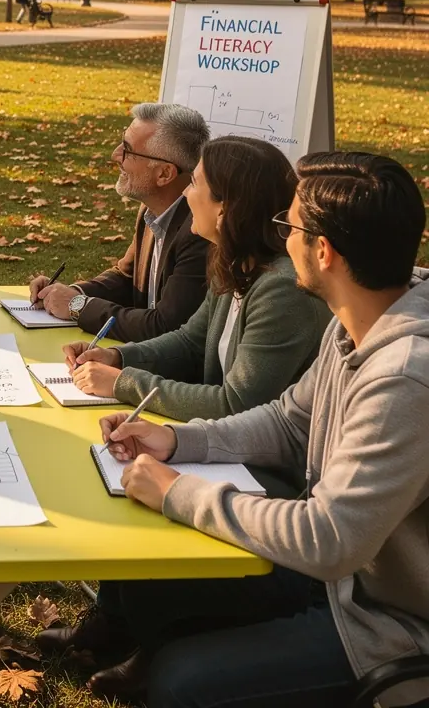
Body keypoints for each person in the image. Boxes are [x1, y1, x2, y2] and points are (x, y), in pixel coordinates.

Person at [60, 152, 429, 708]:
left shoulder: (404, 377)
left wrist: (179, 491)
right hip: (338, 584)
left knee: (183, 683)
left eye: (290, 226)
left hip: (386, 626)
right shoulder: (361, 314)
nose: (281, 237)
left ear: (323, 252)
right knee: (150, 569)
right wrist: (181, 441)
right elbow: (287, 419)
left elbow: (329, 540)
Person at [59, 136, 331, 427]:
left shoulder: (281, 290)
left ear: (225, 208)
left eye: (195, 184)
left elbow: (235, 404)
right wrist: (117, 357)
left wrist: (124, 382)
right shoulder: (235, 262)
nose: (186, 194)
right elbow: (190, 341)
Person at [30, 103, 211, 342]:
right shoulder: (152, 207)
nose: (115, 155)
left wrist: (78, 306)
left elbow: (165, 327)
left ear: (165, 174)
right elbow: (127, 279)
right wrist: (72, 293)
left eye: (127, 150)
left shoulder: (199, 232)